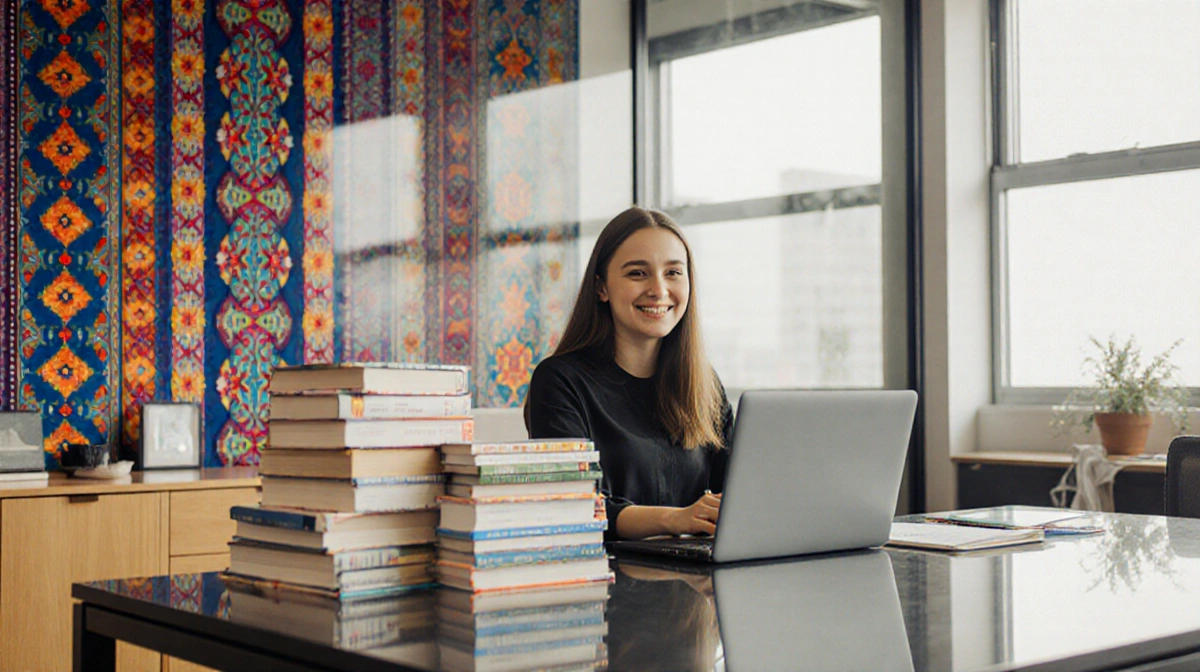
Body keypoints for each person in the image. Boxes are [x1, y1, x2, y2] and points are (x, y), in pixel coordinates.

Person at [525, 206, 733, 540]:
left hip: (693, 581)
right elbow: (575, 507)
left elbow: (739, 499)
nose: (659, 290)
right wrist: (676, 519)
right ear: (601, 288)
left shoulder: (704, 384)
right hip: (602, 580)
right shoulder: (559, 382)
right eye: (638, 273)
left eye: (673, 273)